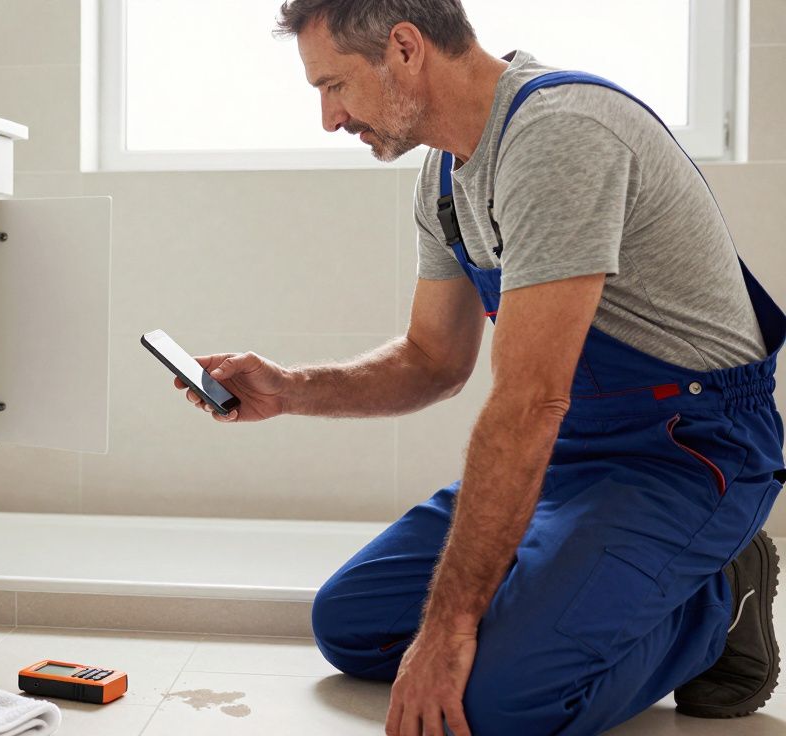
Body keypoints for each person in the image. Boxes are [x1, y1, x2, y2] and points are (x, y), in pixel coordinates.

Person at [171, 1, 784, 734]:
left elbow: (529, 402)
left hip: (687, 453)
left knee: (504, 706)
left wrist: (449, 630)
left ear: (405, 48)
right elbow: (432, 360)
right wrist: (291, 389)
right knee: (353, 625)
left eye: (334, 86)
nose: (330, 119)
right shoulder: (445, 176)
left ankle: (719, 600)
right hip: (569, 444)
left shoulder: (560, 136)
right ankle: (572, 601)